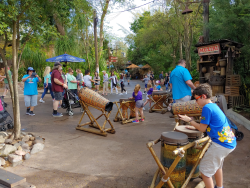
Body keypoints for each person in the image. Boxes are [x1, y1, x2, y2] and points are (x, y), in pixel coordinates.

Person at [179, 84, 236, 188]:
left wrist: (190, 120)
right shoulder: (213, 105)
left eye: (196, 99)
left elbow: (202, 129)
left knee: (205, 171)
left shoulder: (207, 108)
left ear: (203, 96)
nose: (196, 102)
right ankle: (219, 187)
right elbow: (205, 126)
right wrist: (195, 126)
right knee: (217, 167)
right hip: (229, 142)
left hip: (220, 145)